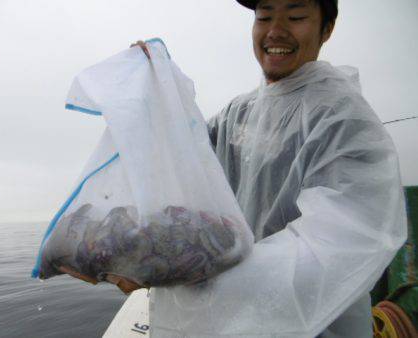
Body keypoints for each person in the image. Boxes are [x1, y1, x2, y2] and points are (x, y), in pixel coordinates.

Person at [66, 0, 408, 336]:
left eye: (296, 15)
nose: (275, 30)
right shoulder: (239, 112)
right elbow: (186, 155)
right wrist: (153, 89)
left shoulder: (343, 120)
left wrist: (175, 272)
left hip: (313, 326)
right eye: (264, 16)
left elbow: (332, 251)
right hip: (229, 321)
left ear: (327, 29)